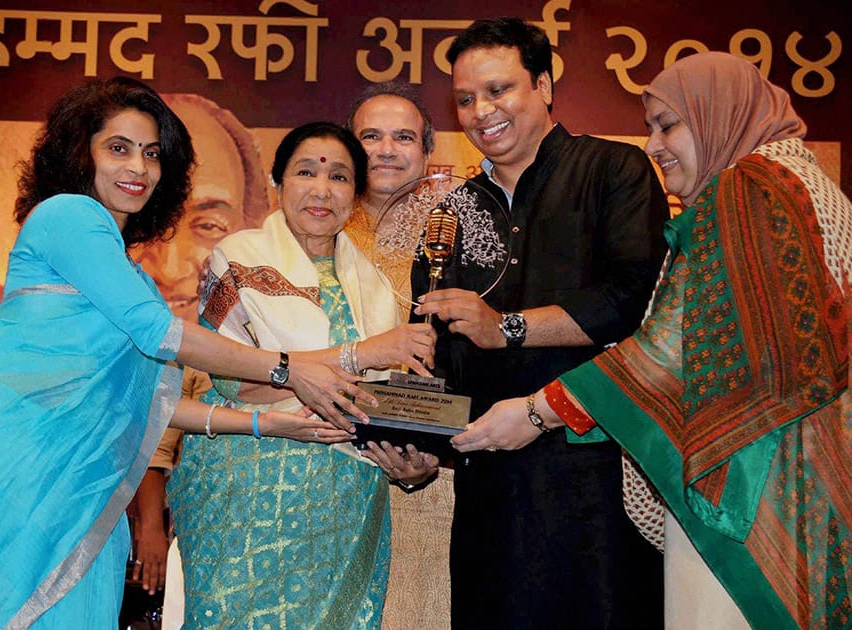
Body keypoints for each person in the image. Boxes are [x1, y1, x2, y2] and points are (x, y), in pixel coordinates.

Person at [0, 78, 375, 629]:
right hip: (14, 471)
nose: (138, 166)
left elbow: (151, 403)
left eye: (152, 153)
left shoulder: (127, 271)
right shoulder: (67, 216)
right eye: (119, 148)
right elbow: (159, 333)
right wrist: (290, 369)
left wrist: (267, 425)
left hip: (87, 493)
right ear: (79, 152)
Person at [456, 51, 852, 630]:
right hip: (809, 483)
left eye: (669, 124)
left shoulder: (749, 191)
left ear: (722, 115)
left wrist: (540, 410)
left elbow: (675, 350)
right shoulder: (802, 183)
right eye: (651, 127)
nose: (654, 146)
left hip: (753, 493)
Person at [412, 18, 670, 628]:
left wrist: (507, 326)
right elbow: (439, 356)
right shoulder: (451, 212)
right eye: (467, 99)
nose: (481, 111)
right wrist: (410, 441)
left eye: (499, 90)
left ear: (545, 85)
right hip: (489, 493)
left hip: (596, 481)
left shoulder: (614, 171)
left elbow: (632, 302)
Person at [167, 121, 437, 628]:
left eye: (338, 177)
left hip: (346, 502)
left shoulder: (379, 283)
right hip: (245, 495)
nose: (321, 189)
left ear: (355, 195)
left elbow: (388, 401)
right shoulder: (237, 258)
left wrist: (413, 461)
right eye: (306, 171)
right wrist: (361, 353)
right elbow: (234, 381)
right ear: (277, 181)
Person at [126, 93, 273, 598]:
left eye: (209, 225)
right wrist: (149, 526)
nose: (168, 267)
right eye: (158, 224)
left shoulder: (266, 330)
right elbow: (159, 436)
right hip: (191, 531)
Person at [344, 82, 454, 629]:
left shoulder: (460, 233)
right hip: (327, 464)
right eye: (370, 136)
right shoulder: (316, 228)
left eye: (403, 137)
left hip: (431, 473)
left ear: (427, 152)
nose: (386, 149)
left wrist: (429, 455)